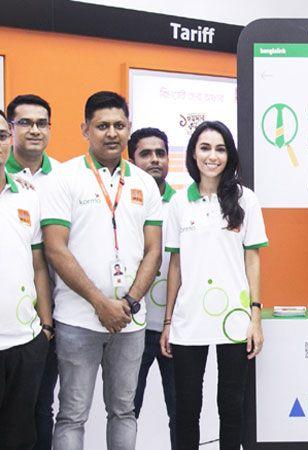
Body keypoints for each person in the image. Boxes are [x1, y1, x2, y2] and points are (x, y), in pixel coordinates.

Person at [41, 91, 163, 450]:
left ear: (129, 128)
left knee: (124, 411)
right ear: (85, 130)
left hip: (130, 321)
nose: (112, 133)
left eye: (119, 125)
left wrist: (128, 302)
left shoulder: (143, 182)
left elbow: (154, 251)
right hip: (77, 319)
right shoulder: (63, 177)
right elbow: (55, 248)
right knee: (72, 414)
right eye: (102, 126)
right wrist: (100, 303)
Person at [160, 121, 266, 450]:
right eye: (205, 148)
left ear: (229, 155)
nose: (212, 156)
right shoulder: (179, 203)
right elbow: (175, 265)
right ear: (193, 154)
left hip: (234, 319)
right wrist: (168, 321)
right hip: (188, 320)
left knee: (232, 407)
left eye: (220, 149)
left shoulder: (246, 200)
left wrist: (256, 317)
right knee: (186, 408)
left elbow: (252, 259)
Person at [5, 93, 60, 450]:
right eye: (25, 122)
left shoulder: (64, 177)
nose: (34, 130)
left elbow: (42, 261)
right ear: (12, 130)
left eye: (42, 123)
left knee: (38, 409)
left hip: (43, 322)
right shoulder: (12, 179)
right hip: (15, 323)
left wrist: (46, 324)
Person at [128, 127, 177, 450]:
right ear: (132, 160)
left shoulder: (184, 203)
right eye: (145, 154)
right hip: (132, 326)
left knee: (182, 413)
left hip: (175, 329)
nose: (155, 160)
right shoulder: (121, 202)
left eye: (160, 153)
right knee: (126, 410)